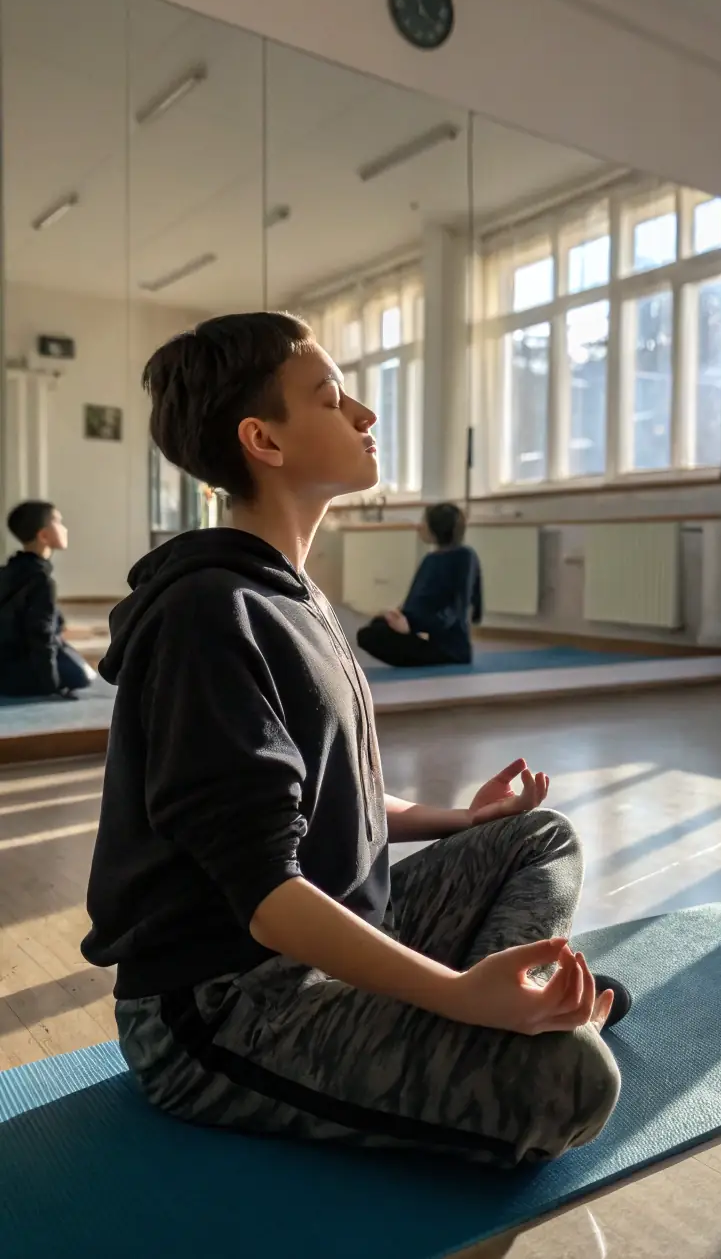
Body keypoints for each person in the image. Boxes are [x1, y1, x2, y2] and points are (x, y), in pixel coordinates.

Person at [81, 312, 625, 1167]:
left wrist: (458, 819)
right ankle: (494, 1018)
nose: (366, 414)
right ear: (262, 439)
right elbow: (264, 890)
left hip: (330, 932)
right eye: (333, 399)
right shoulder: (207, 615)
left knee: (536, 836)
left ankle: (497, 1008)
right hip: (224, 1002)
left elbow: (326, 797)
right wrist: (452, 994)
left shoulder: (292, 596)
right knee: (573, 1085)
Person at [356, 502, 481, 668]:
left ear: (437, 528)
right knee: (376, 626)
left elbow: (456, 610)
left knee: (370, 636)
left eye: (424, 522)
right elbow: (416, 599)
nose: (419, 526)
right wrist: (397, 615)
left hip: (450, 649)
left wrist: (410, 627)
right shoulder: (431, 559)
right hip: (423, 630)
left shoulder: (464, 557)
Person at [0, 500, 95, 698]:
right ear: (43, 535)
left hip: (4, 664)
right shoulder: (41, 580)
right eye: (59, 522)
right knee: (83, 676)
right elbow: (41, 635)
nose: (65, 528)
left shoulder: (8, 572)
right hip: (22, 669)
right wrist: (51, 686)